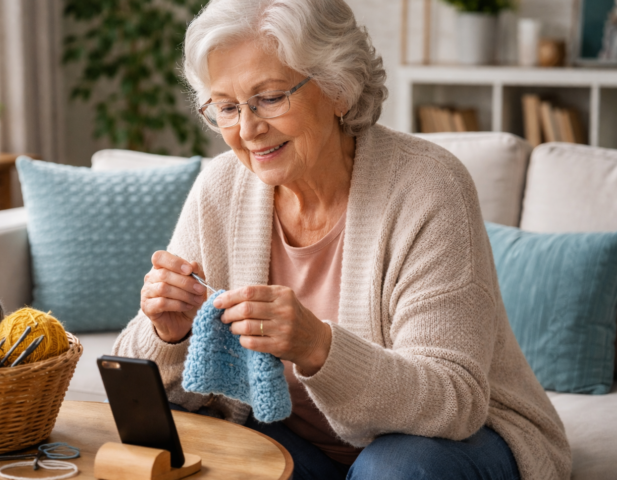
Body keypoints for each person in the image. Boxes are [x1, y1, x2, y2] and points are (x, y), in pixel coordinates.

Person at [113, 0, 571, 478]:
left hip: (455, 440)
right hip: (299, 443)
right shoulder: (220, 187)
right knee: (188, 449)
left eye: (269, 98)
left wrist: (318, 347)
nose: (248, 130)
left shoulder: (429, 186)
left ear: (338, 89)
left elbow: (452, 401)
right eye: (227, 107)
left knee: (394, 468)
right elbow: (150, 395)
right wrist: (170, 332)